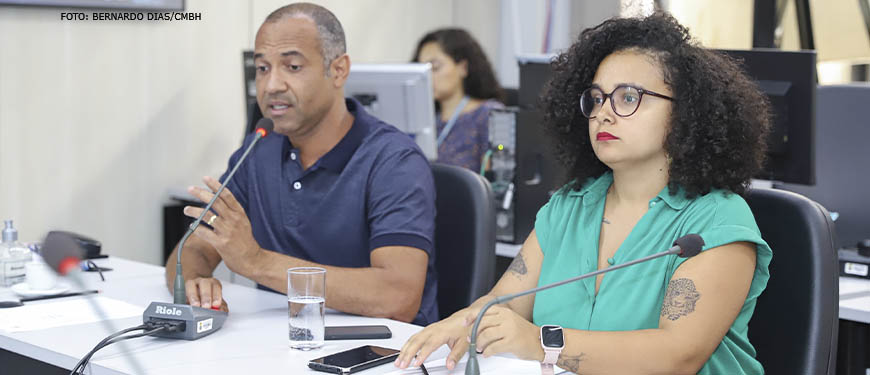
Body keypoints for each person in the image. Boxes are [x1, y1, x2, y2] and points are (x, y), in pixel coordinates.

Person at [396, 12, 773, 374]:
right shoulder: (568, 205)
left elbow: (677, 356)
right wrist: (459, 323)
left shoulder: (718, 219)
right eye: (596, 98)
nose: (603, 113)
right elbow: (505, 306)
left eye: (627, 97)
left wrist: (542, 343)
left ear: (685, 113)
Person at [164, 3, 439, 326]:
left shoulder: (394, 161)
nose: (271, 86)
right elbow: (189, 253)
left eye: (292, 67)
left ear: (338, 70)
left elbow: (397, 298)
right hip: (283, 344)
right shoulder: (258, 152)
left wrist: (257, 262)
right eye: (263, 68)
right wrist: (197, 283)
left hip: (381, 353)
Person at [413, 28, 504, 173]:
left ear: (463, 68)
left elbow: (495, 182)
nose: (427, 77)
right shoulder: (423, 119)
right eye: (421, 69)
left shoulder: (489, 113)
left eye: (435, 67)